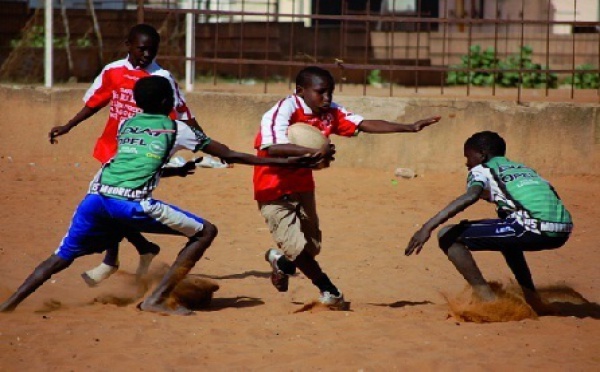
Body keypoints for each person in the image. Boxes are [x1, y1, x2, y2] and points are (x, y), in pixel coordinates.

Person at [0, 75, 316, 315]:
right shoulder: (177, 128)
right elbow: (230, 155)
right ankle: (156, 299)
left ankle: (10, 305)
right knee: (206, 231)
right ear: (169, 102)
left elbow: (136, 162)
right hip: (132, 203)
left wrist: (174, 170)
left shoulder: (127, 124)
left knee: (60, 257)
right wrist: (279, 159)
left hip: (95, 198)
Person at [254, 66, 441, 308]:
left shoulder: (329, 111)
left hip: (303, 185)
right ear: (301, 91)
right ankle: (329, 290)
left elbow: (362, 123)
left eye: (330, 92)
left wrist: (408, 127)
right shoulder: (284, 110)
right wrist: (315, 151)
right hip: (272, 187)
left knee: (311, 247)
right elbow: (272, 147)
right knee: (296, 246)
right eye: (321, 92)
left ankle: (282, 264)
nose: (328, 98)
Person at [48, 23, 207, 286]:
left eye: (152, 50)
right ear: (128, 45)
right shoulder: (113, 71)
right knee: (113, 205)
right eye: (142, 49)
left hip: (142, 151)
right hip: (113, 148)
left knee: (116, 205)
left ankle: (115, 259)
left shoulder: (162, 78)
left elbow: (183, 113)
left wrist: (205, 143)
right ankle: (140, 249)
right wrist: (68, 126)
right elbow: (95, 102)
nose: (147, 55)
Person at [405, 131, 573, 311]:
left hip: (533, 226)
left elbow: (471, 196)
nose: (467, 163)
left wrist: (427, 227)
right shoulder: (525, 169)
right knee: (508, 237)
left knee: (448, 234)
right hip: (562, 229)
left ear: (481, 155)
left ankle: (487, 300)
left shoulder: (482, 169)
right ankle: (532, 298)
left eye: (468, 157)